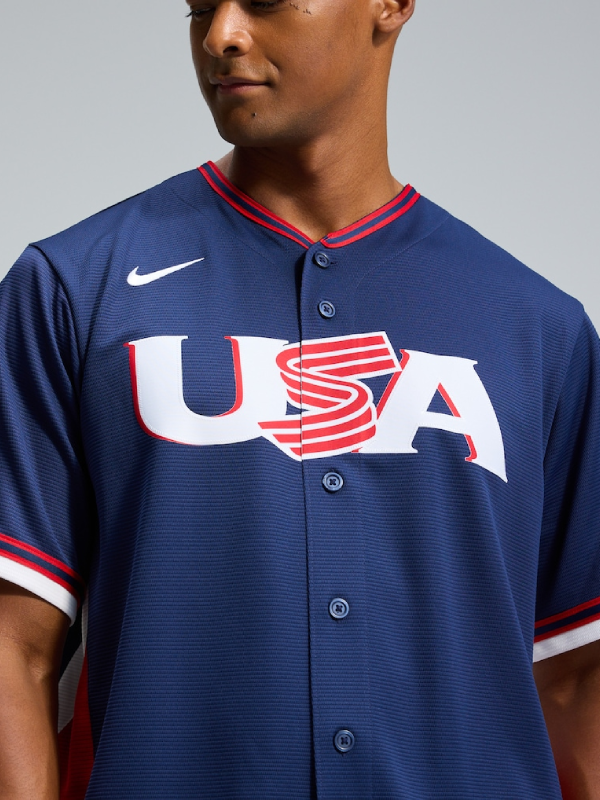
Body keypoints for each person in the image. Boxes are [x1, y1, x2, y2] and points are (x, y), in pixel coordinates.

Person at [0, 0, 599, 797]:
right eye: (200, 6)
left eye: (264, 0)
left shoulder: (540, 329)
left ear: (390, 5)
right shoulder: (75, 291)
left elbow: (575, 679)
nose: (220, 35)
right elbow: (14, 646)